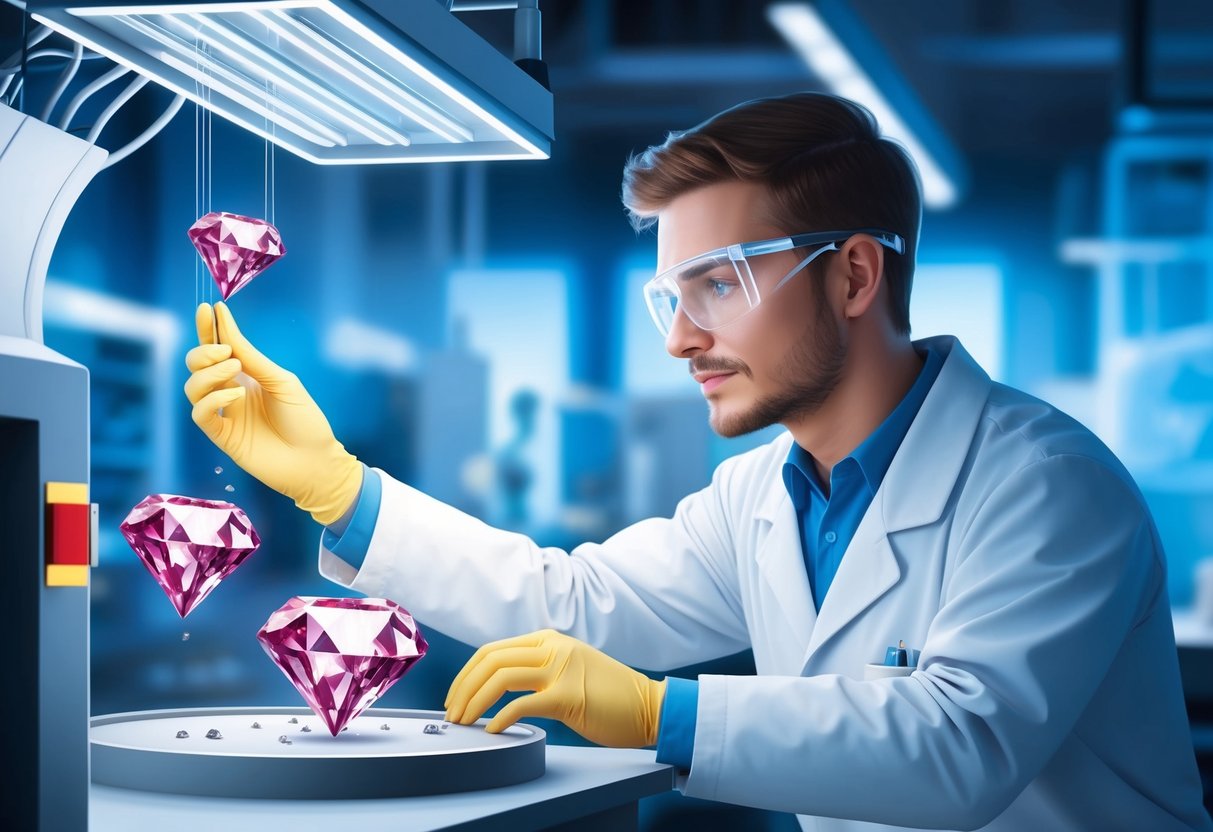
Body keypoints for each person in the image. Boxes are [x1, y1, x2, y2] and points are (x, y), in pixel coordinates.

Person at [183, 92, 1212, 831]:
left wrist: (659, 712)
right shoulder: (759, 494)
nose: (679, 338)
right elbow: (576, 604)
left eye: (716, 284)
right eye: (670, 295)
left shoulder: (1044, 482)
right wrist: (336, 486)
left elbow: (960, 749)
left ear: (853, 274)